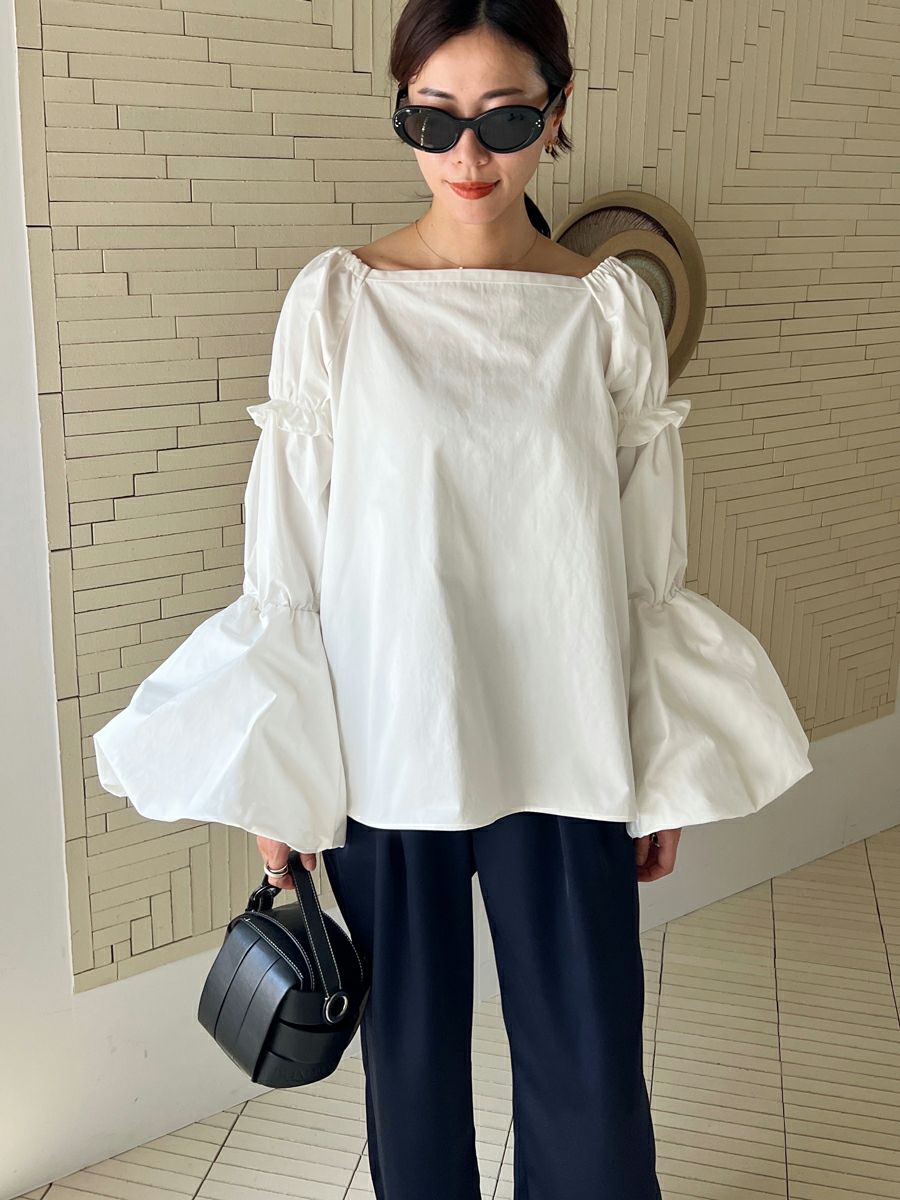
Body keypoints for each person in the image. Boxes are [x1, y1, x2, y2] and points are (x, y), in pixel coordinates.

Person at [92, 0, 814, 1194]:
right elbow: (289, 564)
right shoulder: (338, 302)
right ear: (403, 116)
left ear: (558, 114)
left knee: (591, 1071)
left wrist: (661, 759)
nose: (467, 156)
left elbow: (645, 566)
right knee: (411, 1074)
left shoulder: (606, 310)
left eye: (505, 119)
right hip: (390, 749)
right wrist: (281, 780)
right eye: (432, 121)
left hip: (569, 744)